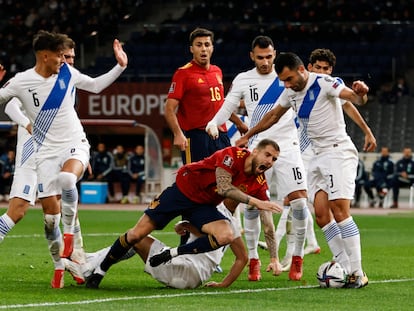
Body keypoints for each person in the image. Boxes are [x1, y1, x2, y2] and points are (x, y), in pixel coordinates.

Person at [0, 30, 128, 288]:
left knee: (67, 188)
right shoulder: (24, 81)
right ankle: (62, 262)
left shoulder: (68, 77)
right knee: (32, 213)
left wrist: (120, 66)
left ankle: (74, 256)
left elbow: (93, 88)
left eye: (70, 56)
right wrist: (25, 124)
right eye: (62, 56)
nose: (67, 61)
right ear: (47, 56)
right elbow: (9, 104)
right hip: (35, 150)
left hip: (68, 147)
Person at [236, 52, 375, 288]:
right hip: (316, 156)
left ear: (301, 70)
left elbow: (353, 99)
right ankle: (342, 264)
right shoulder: (291, 91)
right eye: (283, 81)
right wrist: (249, 135)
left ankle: (357, 272)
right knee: (321, 215)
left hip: (337, 152)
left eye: (289, 79)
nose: (287, 84)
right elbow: (272, 116)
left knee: (339, 210)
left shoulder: (324, 83)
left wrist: (362, 93)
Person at [85, 139, 283, 289]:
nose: (270, 161)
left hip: (203, 205)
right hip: (182, 191)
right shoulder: (232, 154)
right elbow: (223, 188)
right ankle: (100, 270)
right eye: (267, 155)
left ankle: (171, 253)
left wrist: (274, 258)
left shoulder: (259, 181)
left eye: (274, 159)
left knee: (226, 234)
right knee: (137, 234)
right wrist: (257, 202)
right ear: (254, 151)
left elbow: (267, 222)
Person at [206, 35, 315, 281]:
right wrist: (214, 122)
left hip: (288, 146)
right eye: (260, 58)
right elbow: (228, 104)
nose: (265, 62)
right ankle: (253, 260)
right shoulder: (245, 79)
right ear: (251, 56)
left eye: (269, 57)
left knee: (298, 203)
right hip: (257, 148)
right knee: (252, 207)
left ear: (274, 54)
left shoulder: (286, 78)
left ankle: (297, 257)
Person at [65, 203, 247, 289]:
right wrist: (223, 284)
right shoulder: (231, 224)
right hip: (194, 276)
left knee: (137, 236)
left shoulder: (214, 211)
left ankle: (86, 269)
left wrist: (186, 225)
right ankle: (88, 262)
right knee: (137, 240)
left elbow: (208, 236)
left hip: (185, 270)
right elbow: (242, 258)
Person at [164, 27, 245, 165]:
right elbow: (169, 108)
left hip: (221, 135)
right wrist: (177, 133)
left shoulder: (217, 71)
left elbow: (221, 105)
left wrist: (239, 123)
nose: (203, 49)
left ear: (212, 48)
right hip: (196, 137)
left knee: (224, 179)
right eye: (199, 45)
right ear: (191, 49)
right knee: (196, 183)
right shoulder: (183, 74)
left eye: (207, 45)